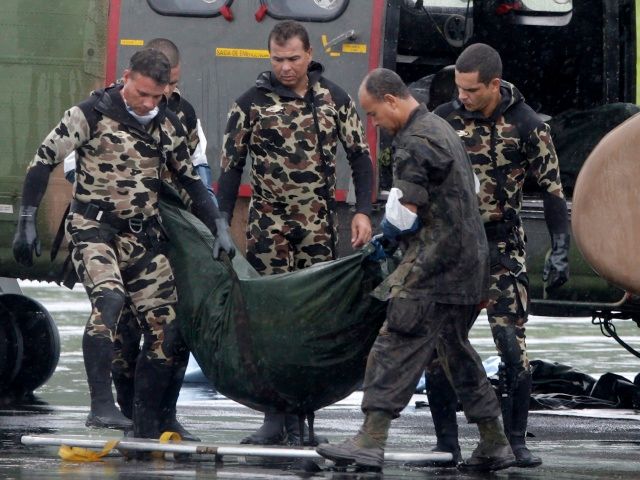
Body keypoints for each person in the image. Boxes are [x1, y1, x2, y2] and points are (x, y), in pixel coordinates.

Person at [12, 48, 235, 444]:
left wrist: (218, 225)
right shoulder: (89, 114)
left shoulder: (166, 125)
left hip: (141, 235)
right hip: (92, 229)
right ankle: (101, 406)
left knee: (169, 326)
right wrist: (27, 221)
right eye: (142, 94)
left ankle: (149, 419)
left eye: (157, 97)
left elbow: (190, 182)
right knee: (110, 299)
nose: (148, 104)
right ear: (126, 77)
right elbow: (42, 162)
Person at [316, 68, 516, 473]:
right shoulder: (442, 128)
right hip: (470, 266)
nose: (375, 123)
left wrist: (386, 236)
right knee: (455, 353)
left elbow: (406, 214)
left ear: (391, 100)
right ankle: (495, 442)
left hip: (432, 268)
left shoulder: (414, 141)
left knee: (394, 344)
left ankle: (370, 441)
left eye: (374, 115)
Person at [217, 20, 373, 445]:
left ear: (309, 55)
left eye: (292, 59)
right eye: (277, 59)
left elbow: (360, 157)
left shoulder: (334, 99)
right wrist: (220, 223)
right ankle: (274, 415)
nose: (285, 67)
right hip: (269, 223)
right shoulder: (249, 104)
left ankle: (306, 416)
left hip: (318, 223)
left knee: (313, 320)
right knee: (271, 320)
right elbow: (230, 170)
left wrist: (362, 211)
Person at [61, 39, 216, 440]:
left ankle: (161, 416)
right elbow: (73, 167)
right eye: (152, 88)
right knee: (122, 331)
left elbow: (196, 173)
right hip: (110, 231)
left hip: (160, 232)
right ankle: (123, 411)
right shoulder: (99, 109)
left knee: (170, 328)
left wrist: (210, 222)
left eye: (168, 86)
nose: (159, 97)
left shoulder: (181, 114)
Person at [428, 43, 570, 468]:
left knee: (511, 345)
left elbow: (551, 190)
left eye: (471, 90)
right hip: (455, 247)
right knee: (441, 347)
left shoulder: (528, 125)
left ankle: (514, 440)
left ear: (494, 85)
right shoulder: (443, 120)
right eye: (458, 88)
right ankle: (446, 442)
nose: (462, 97)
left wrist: (560, 247)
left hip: (502, 245)